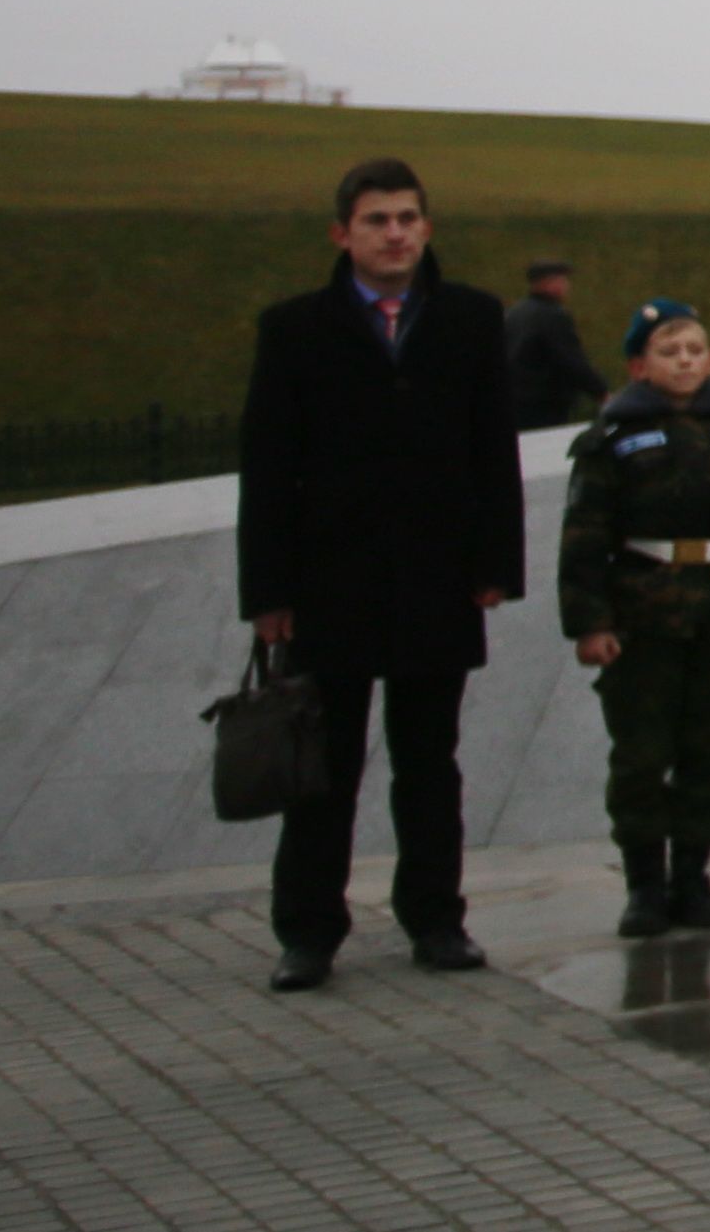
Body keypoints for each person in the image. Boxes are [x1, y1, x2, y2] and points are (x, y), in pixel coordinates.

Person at [237, 156, 528, 992]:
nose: (394, 232)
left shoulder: (470, 317)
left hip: (438, 579)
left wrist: (494, 565)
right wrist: (268, 594)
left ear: (427, 227)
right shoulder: (295, 327)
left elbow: (493, 450)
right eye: (376, 219)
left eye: (406, 217)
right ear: (343, 233)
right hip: (331, 583)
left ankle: (436, 918)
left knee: (430, 762)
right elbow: (267, 465)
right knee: (324, 770)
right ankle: (308, 930)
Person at [558, 299, 710, 937]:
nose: (685, 361)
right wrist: (591, 623)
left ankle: (693, 874)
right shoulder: (613, 440)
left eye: (694, 349)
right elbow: (584, 539)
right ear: (640, 366)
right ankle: (644, 883)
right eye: (669, 351)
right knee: (641, 752)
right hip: (643, 616)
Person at [503, 259, 606, 431]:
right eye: (562, 280)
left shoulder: (515, 313)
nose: (567, 286)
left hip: (513, 402)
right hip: (543, 405)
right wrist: (601, 392)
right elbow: (571, 360)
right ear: (549, 283)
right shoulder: (552, 315)